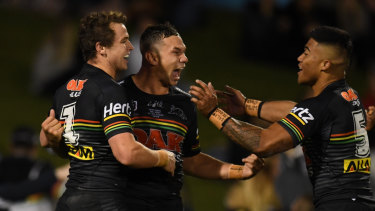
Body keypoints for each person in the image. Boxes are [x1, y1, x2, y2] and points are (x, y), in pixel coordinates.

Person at [42, 22, 265, 211]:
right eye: (176, 52)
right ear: (151, 57)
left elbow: (190, 159)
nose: (185, 59)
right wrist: (55, 140)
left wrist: (239, 171)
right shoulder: (113, 95)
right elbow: (79, 148)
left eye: (184, 52)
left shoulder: (184, 104)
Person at [189, 25, 375, 210]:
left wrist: (214, 113)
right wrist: (247, 105)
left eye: (307, 53)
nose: (299, 58)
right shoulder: (348, 97)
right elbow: (297, 110)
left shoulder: (322, 106)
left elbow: (262, 143)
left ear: (325, 64)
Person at [40, 11, 176, 211]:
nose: (131, 47)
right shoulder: (110, 91)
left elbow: (49, 140)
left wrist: (55, 142)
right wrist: (162, 158)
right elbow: (126, 153)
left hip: (69, 201)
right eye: (124, 41)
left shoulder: (65, 90)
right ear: (101, 48)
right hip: (103, 201)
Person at [0, 126, 58, 211]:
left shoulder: (3, 164)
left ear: (11, 147)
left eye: (25, 149)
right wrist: (56, 175)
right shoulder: (43, 168)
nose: (21, 152)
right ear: (34, 149)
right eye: (19, 148)